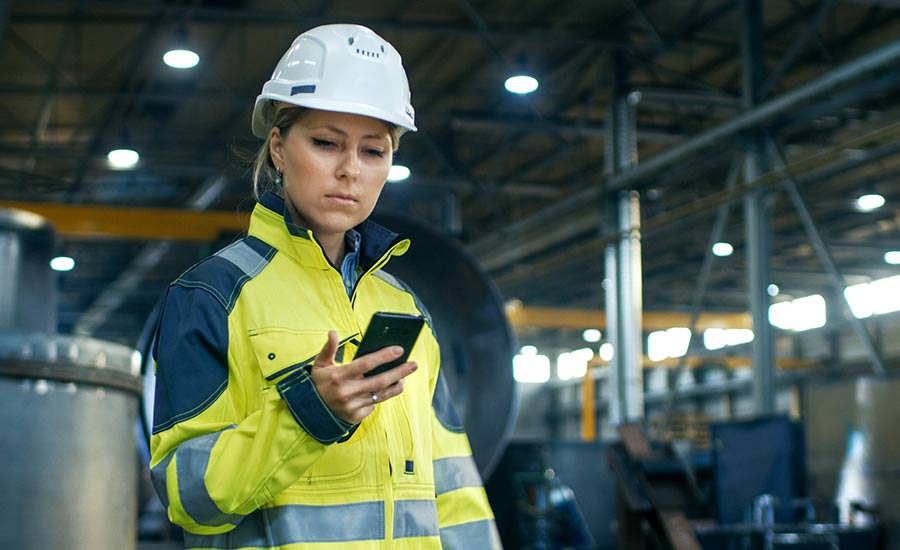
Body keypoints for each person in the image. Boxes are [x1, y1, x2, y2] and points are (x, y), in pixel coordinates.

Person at [148, 24, 502, 549]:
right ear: (278, 149)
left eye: (374, 151)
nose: (350, 171)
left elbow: (453, 485)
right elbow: (188, 497)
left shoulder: (403, 306)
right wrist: (306, 413)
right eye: (324, 143)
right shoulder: (212, 296)